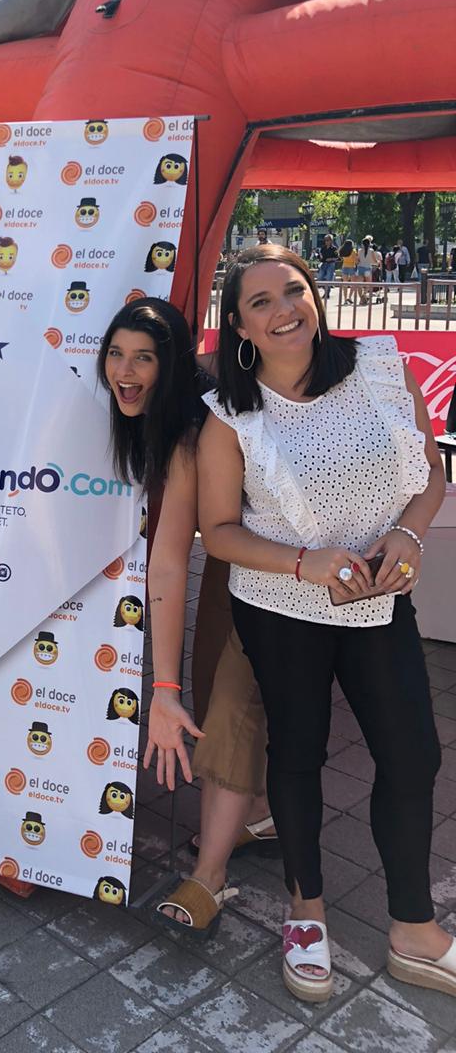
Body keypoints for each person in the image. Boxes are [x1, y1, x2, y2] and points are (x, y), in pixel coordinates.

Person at [198, 243, 450, 1004]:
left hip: (378, 601)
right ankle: (305, 914)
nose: (284, 311)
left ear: (316, 295)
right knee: (298, 753)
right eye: (262, 302)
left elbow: (430, 470)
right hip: (281, 609)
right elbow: (218, 531)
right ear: (238, 325)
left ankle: (413, 929)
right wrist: (303, 562)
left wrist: (407, 536)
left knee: (412, 754)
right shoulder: (229, 414)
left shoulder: (378, 365)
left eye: (294, 291)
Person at [97, 299, 274, 938]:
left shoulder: (196, 427)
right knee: (223, 692)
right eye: (116, 353)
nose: (126, 370)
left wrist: (161, 690)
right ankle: (256, 809)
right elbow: (170, 557)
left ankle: (210, 874)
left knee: (229, 703)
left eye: (144, 357)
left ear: (172, 364)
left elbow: (170, 565)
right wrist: (167, 688)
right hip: (244, 562)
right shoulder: (166, 418)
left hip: (279, 565)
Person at [356, 235, 380, 303]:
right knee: (369, 284)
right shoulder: (371, 250)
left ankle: (361, 298)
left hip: (360, 268)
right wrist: (378, 262)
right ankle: (364, 295)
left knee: (359, 285)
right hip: (367, 268)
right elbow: (374, 261)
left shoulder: (360, 250)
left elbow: (358, 260)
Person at [316, 234, 339, 300]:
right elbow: (321, 257)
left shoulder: (334, 248)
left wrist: (331, 259)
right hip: (323, 264)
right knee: (320, 278)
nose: (326, 242)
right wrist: (319, 256)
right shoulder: (323, 248)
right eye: (325, 240)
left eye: (328, 240)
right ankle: (326, 289)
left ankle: (327, 293)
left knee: (329, 278)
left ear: (331, 241)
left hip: (330, 264)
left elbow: (337, 258)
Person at [338, 238, 358, 303]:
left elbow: (341, 258)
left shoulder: (342, 250)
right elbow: (356, 261)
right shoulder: (353, 251)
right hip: (352, 267)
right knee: (353, 283)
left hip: (344, 267)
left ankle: (345, 299)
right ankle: (349, 297)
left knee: (345, 284)